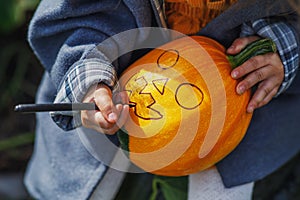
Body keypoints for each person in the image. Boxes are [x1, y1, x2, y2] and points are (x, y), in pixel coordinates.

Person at [24, 0, 300, 199]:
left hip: (239, 128)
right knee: (98, 184)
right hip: (112, 102)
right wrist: (88, 82)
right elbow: (76, 19)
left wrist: (282, 50)